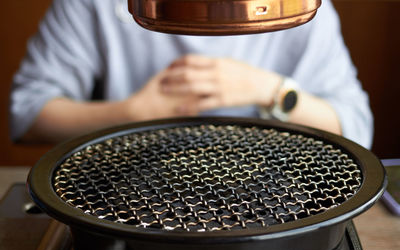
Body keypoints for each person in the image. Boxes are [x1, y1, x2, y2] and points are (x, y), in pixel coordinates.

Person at [9, 0, 373, 148]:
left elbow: (356, 128)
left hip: (269, 190)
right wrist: (133, 113)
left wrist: (269, 90)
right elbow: (26, 115)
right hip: (132, 185)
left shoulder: (304, 11)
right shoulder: (93, 5)